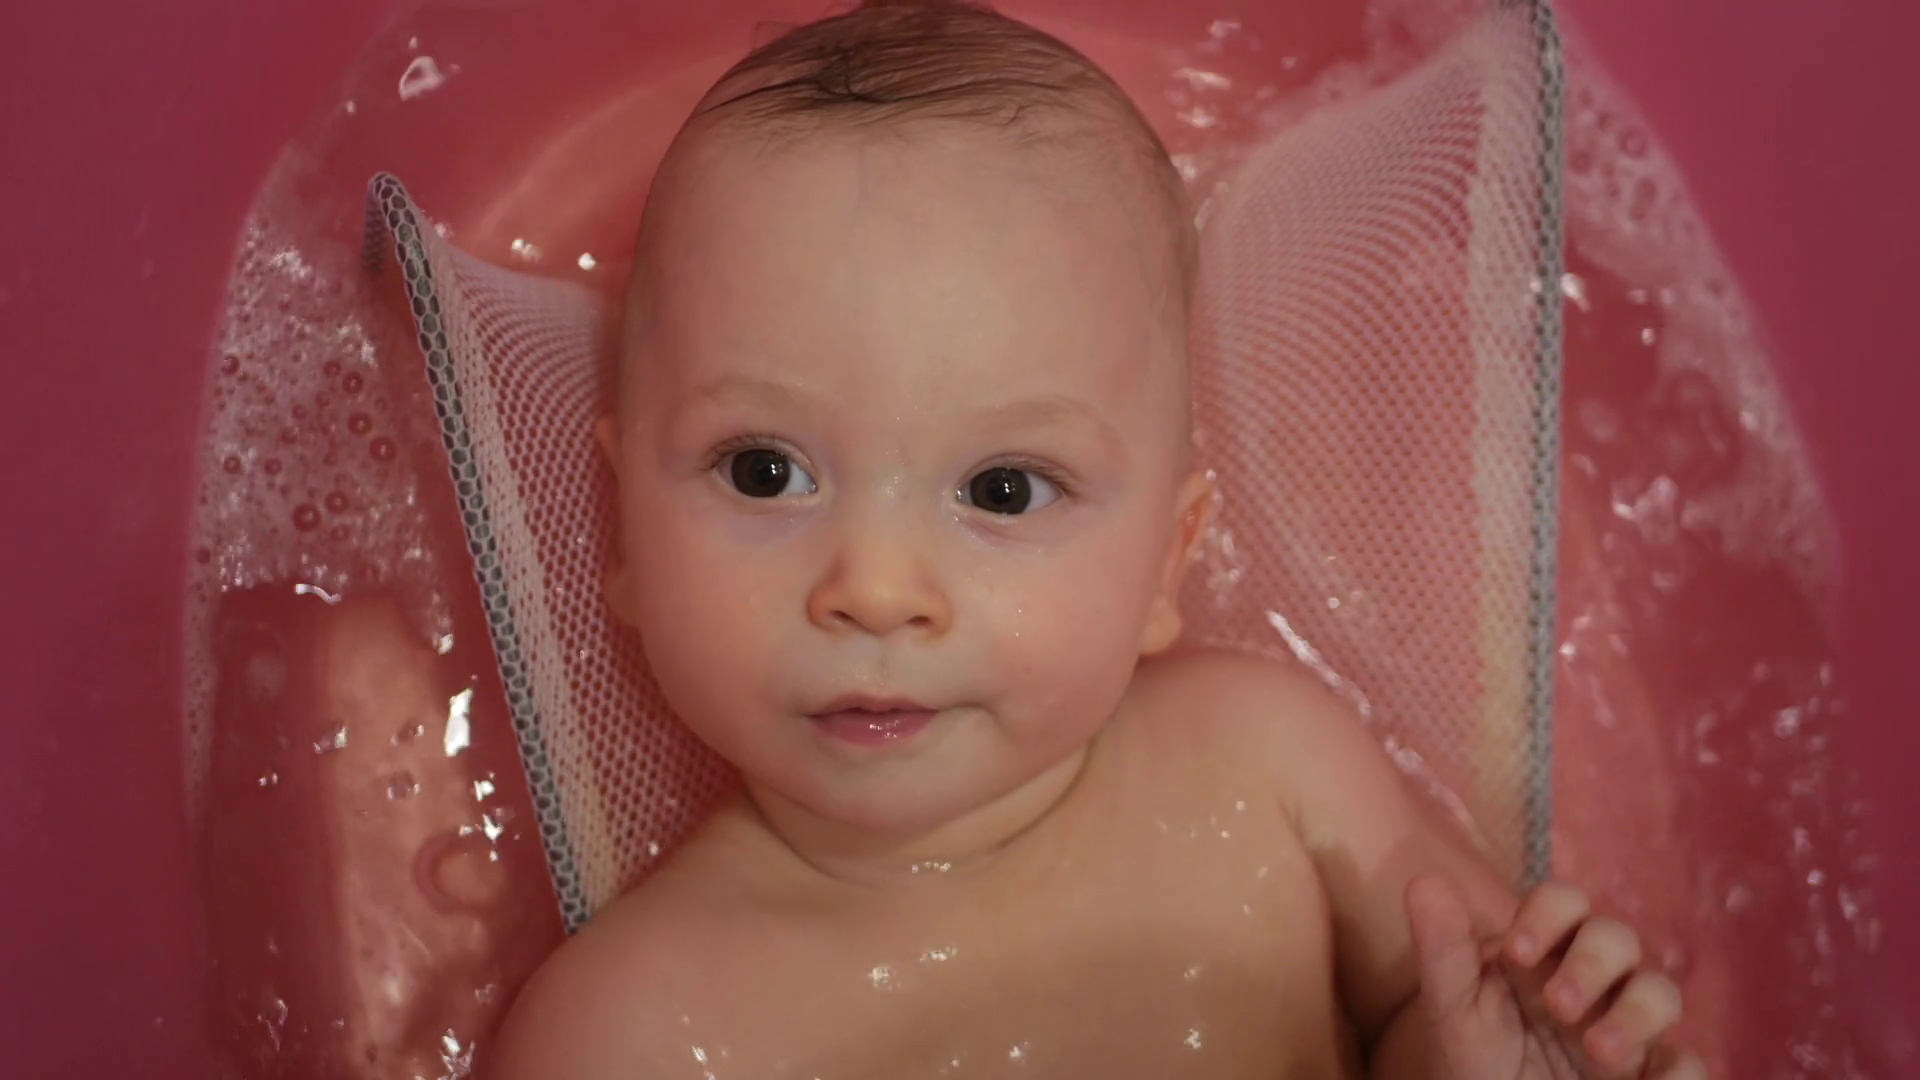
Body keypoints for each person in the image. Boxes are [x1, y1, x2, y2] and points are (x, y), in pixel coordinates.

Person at [491, 2, 1700, 1076]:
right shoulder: (624, 1035)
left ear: (1170, 561)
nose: (876, 590)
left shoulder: (1270, 771)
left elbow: (1459, 1006)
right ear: (625, 529)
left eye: (1005, 490)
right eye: (766, 473)